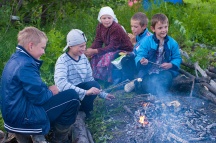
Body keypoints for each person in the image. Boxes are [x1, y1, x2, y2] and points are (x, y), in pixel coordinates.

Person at [0, 27, 80, 143]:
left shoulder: (17, 59)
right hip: (23, 119)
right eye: (42, 48)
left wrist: (47, 90)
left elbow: (30, 90)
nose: (43, 52)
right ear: (31, 46)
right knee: (72, 97)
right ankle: (59, 140)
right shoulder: (26, 65)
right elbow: (39, 98)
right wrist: (51, 91)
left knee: (60, 96)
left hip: (14, 116)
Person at [54, 29, 115, 119]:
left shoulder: (83, 58)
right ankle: (75, 110)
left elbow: (89, 79)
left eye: (84, 45)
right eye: (80, 46)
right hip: (69, 95)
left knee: (94, 84)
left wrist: (103, 94)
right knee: (89, 87)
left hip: (81, 93)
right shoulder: (62, 60)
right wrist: (85, 92)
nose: (84, 49)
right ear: (70, 46)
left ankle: (85, 111)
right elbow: (61, 84)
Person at [134, 13, 182, 95]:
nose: (163, 30)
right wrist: (142, 60)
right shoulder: (147, 41)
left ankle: (158, 91)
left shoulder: (172, 43)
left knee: (167, 78)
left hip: (163, 71)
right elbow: (139, 55)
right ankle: (139, 84)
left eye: (165, 27)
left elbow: (177, 58)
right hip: (148, 71)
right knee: (145, 83)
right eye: (160, 28)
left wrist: (170, 64)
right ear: (153, 29)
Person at [85, 6, 133, 85]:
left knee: (107, 57)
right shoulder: (100, 27)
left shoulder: (116, 28)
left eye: (109, 18)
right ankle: (96, 78)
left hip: (124, 50)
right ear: (100, 19)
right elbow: (98, 41)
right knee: (94, 57)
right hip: (113, 49)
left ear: (112, 18)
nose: (107, 20)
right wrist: (90, 50)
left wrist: (95, 51)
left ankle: (109, 80)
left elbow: (113, 47)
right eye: (104, 18)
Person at [121, 12, 152, 81]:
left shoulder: (148, 38)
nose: (132, 29)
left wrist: (134, 43)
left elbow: (142, 54)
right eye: (131, 26)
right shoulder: (139, 35)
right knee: (123, 58)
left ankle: (130, 80)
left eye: (135, 27)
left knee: (126, 61)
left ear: (144, 26)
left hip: (146, 64)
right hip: (138, 60)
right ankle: (126, 80)